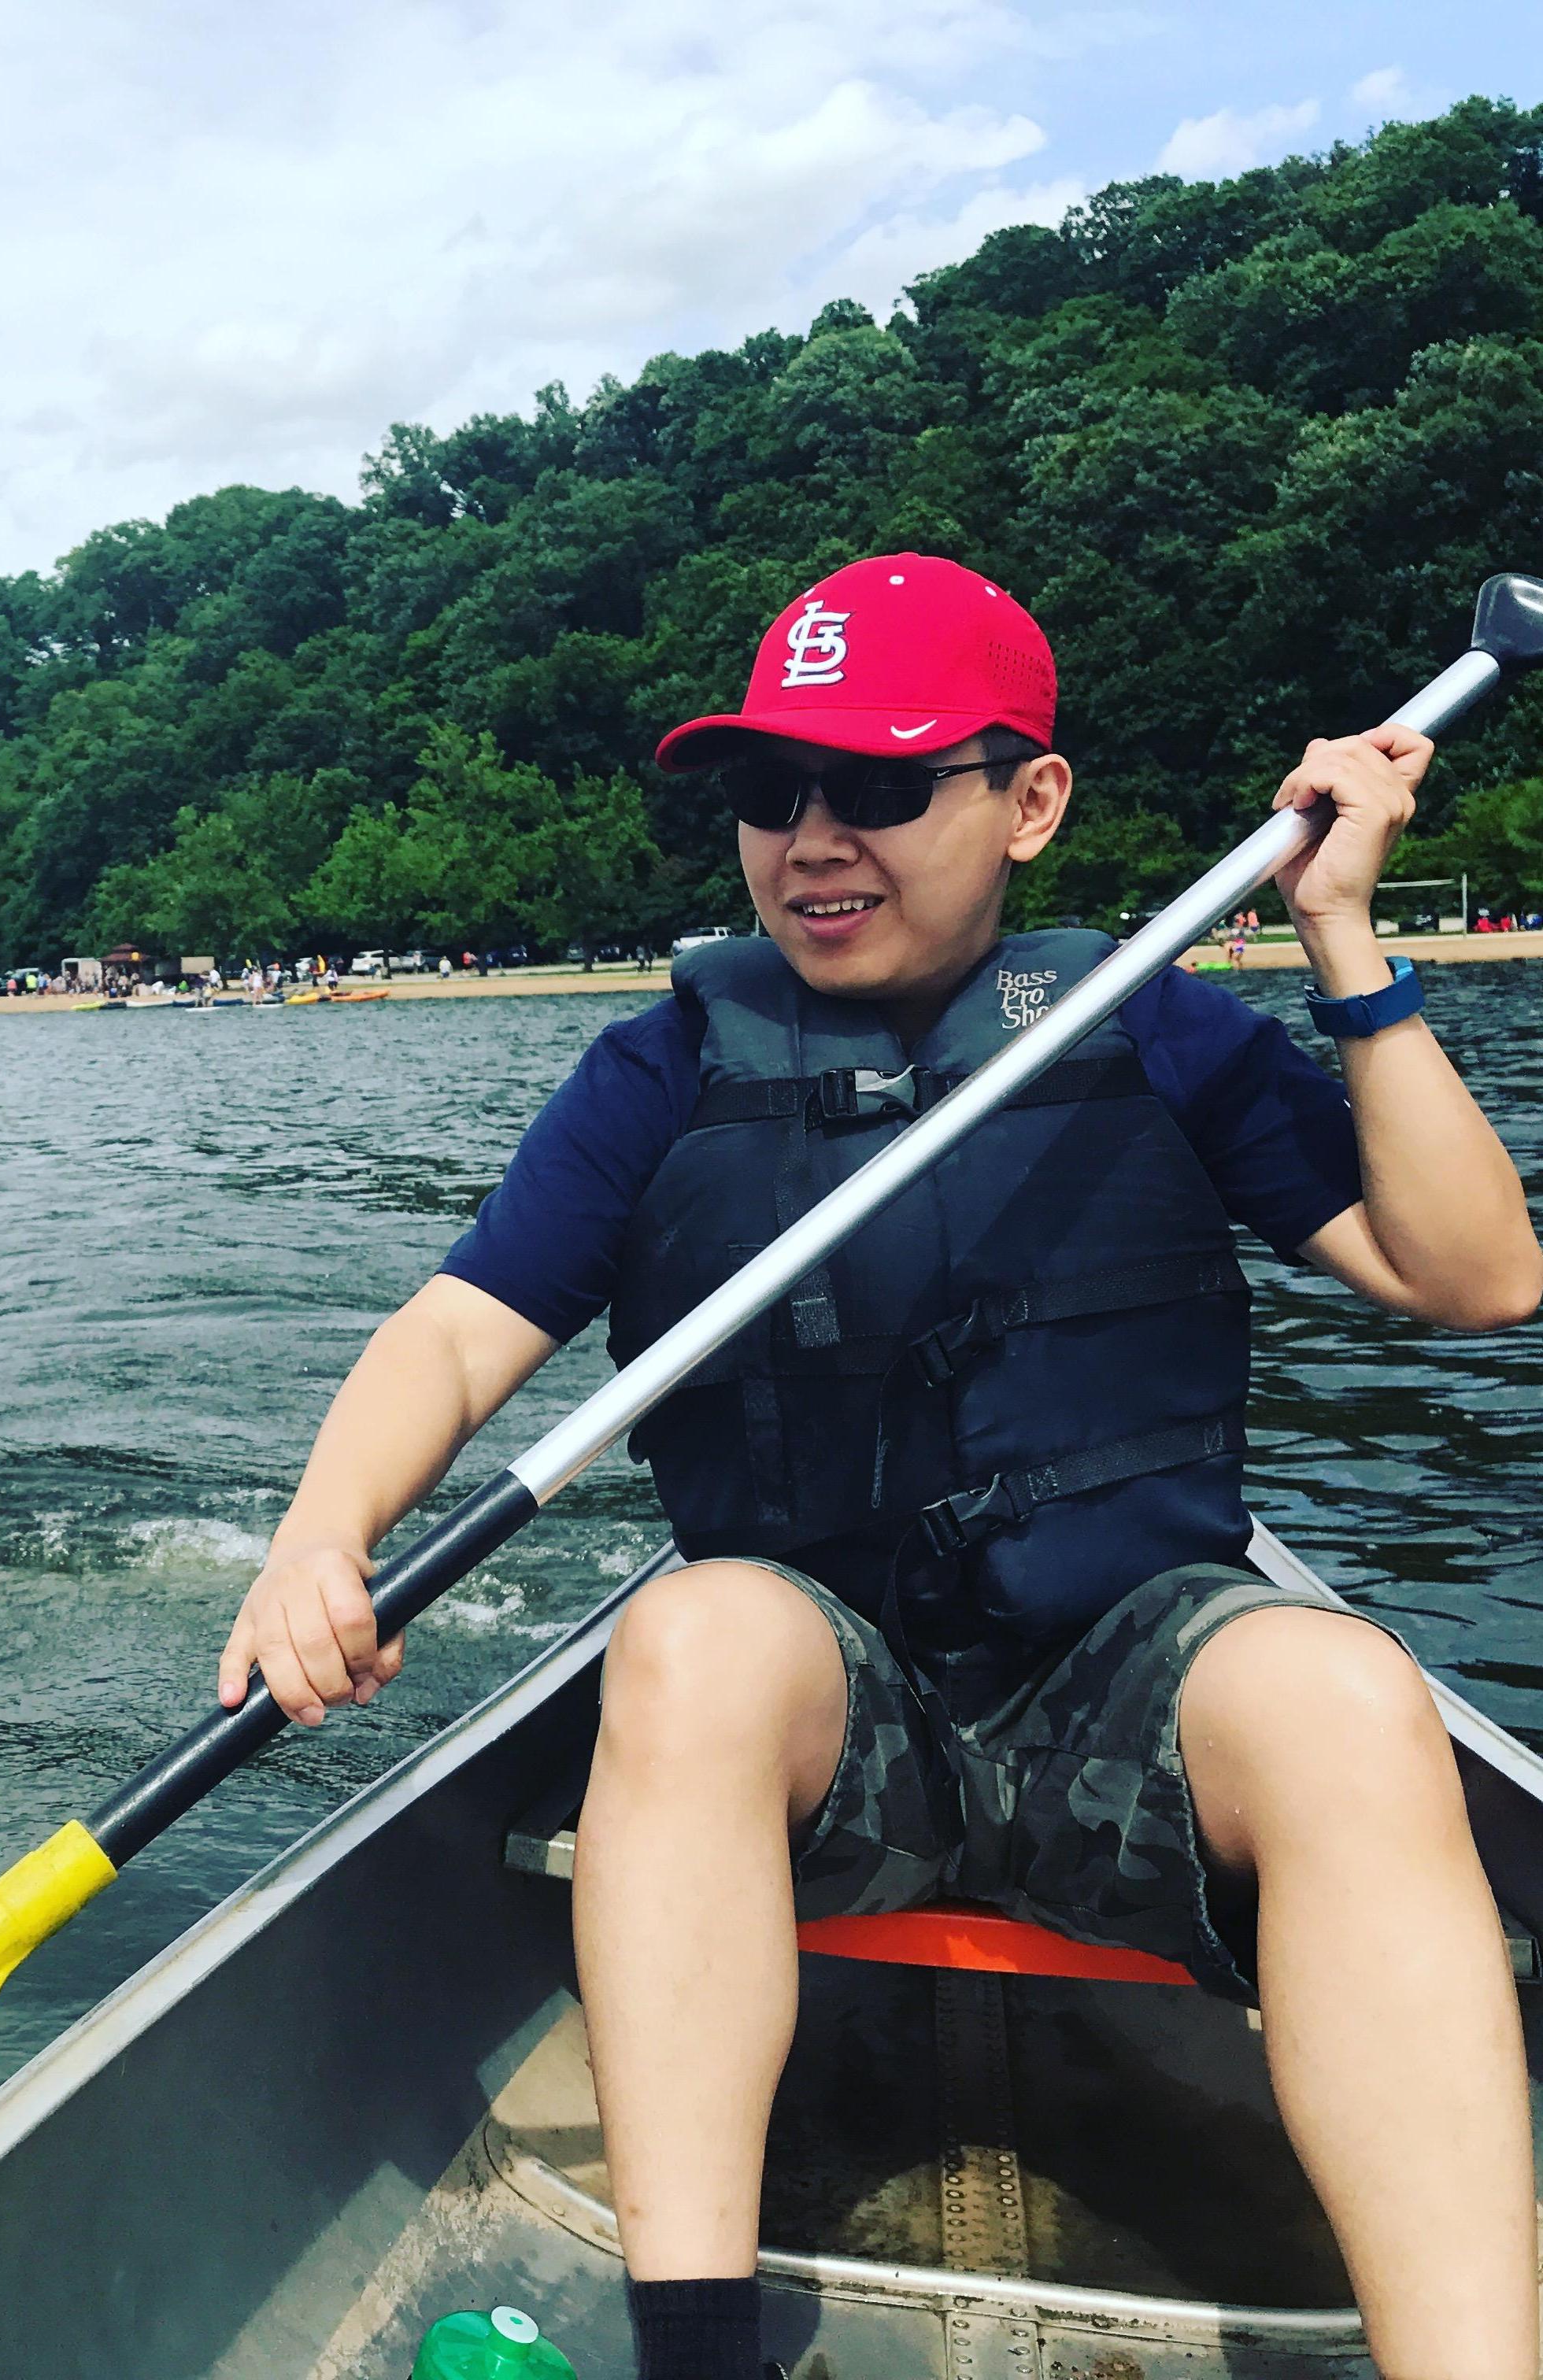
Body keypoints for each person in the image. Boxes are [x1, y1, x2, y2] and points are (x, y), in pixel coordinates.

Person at [216, 553, 1541, 2380]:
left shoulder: (1151, 1020)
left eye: (882, 784)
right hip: (833, 1730)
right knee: (684, 1644)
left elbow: (1474, 1278)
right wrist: (317, 1536)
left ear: (1030, 805)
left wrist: (1342, 940)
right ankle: (699, 2350)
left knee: (1346, 1697)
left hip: (1129, 1681)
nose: (812, 837)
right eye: (773, 791)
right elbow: (456, 1333)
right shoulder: (667, 1062)